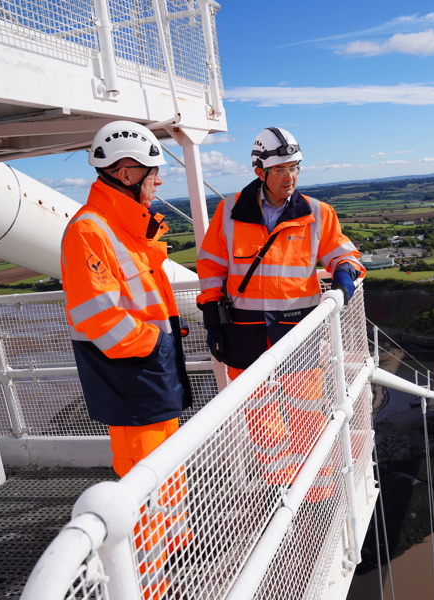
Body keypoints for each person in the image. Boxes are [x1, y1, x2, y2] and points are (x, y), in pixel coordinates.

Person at [60, 121, 193, 599]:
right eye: (153, 173)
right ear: (126, 170)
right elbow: (99, 317)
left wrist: (156, 347)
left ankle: (172, 562)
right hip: (134, 379)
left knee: (165, 478)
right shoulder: (90, 231)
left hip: (153, 378)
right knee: (143, 489)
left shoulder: (124, 228)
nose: (159, 182)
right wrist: (153, 343)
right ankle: (147, 585)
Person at [196, 126, 365, 499]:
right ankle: (281, 486)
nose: (289, 177)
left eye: (295, 168)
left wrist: (343, 274)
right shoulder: (228, 211)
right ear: (260, 171)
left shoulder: (319, 213)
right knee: (258, 413)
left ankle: (318, 493)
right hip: (243, 328)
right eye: (280, 169)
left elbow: (345, 254)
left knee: (307, 410)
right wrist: (211, 316)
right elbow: (210, 265)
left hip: (297, 326)